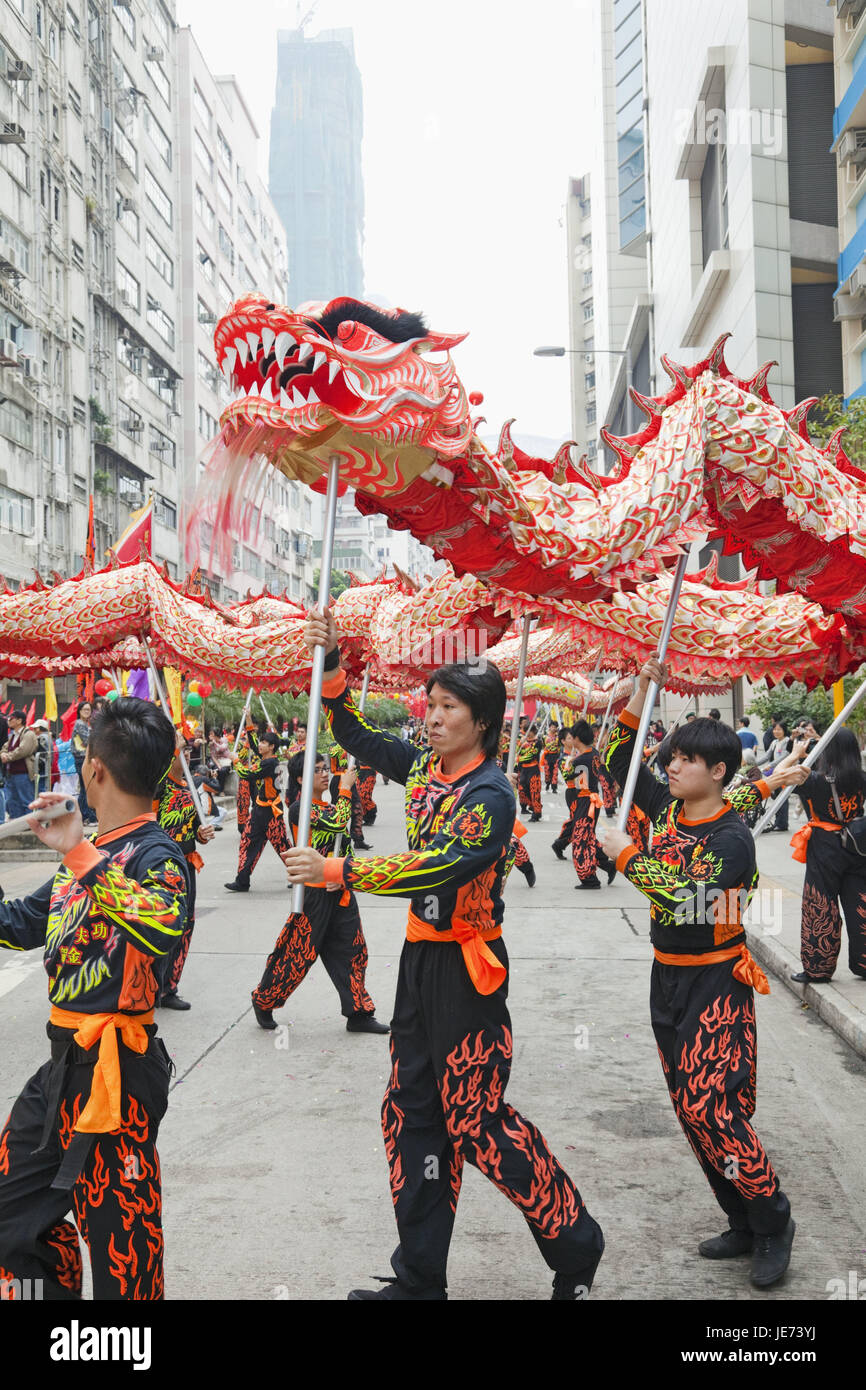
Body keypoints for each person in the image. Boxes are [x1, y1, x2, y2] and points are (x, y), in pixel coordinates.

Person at [286, 607, 605, 1301]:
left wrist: (341, 871)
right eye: (429, 704)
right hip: (419, 966)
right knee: (412, 1112)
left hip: (469, 972)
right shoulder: (426, 768)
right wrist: (332, 663)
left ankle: (577, 1242)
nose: (431, 717)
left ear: (481, 722)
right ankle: (420, 1276)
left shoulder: (490, 794)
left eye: (446, 706)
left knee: (477, 1121)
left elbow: (438, 868)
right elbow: (354, 733)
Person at [598, 659, 795, 1289]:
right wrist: (637, 694)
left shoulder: (734, 840)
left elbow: (688, 903)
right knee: (689, 1108)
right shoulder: (666, 811)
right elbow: (617, 758)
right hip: (668, 977)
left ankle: (773, 1221)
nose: (670, 766)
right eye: (671, 757)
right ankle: (739, 1217)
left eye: (684, 759)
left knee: (716, 1109)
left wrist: (627, 856)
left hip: (717, 983)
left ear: (718, 771)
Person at [0, 696, 188, 1300]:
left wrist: (81, 853)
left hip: (119, 1079)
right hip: (61, 1070)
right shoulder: (86, 851)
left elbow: (162, 925)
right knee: (10, 1214)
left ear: (95, 769)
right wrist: (76, 853)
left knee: (123, 1256)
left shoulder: (157, 854)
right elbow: (24, 922)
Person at [251, 754, 388, 1034]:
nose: (325, 774)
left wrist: (343, 874)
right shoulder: (299, 809)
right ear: (300, 779)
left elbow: (344, 840)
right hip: (314, 896)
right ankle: (264, 1000)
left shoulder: (326, 803)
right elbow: (338, 821)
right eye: (317, 770)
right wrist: (346, 789)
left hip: (338, 890)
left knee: (353, 952)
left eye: (326, 768)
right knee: (296, 955)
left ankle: (359, 1013)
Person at [789, 727, 866, 983]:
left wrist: (796, 754)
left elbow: (781, 777)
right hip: (857, 846)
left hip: (824, 847)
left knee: (821, 907)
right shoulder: (861, 778)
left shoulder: (815, 781)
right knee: (860, 904)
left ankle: (818, 969)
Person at [153, 738, 215, 1009]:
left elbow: (192, 828)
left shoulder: (191, 787)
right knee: (159, 923)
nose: (186, 756)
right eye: (181, 751)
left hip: (187, 863)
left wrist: (201, 835)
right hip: (162, 865)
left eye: (188, 752)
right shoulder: (160, 785)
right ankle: (148, 985)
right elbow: (148, 821)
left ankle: (168, 987)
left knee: (185, 924)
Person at [226, 730, 289, 892]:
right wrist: (248, 723)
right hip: (259, 810)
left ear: (272, 747)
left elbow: (246, 774)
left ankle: (302, 876)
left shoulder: (270, 764)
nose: (260, 745)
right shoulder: (267, 760)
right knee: (247, 842)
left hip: (271, 813)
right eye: (260, 742)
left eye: (264, 743)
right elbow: (253, 745)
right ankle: (242, 881)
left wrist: (236, 761)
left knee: (283, 847)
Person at [568, 720, 615, 890]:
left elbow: (578, 784)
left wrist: (566, 767)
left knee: (580, 840)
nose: (570, 740)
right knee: (588, 837)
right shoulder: (594, 753)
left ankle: (589, 878)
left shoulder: (580, 761)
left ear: (577, 738)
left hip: (584, 801)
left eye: (572, 736)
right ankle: (608, 866)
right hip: (593, 801)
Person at [0, 710, 38, 820]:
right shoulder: (13, 735)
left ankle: (30, 823)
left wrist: (8, 757)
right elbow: (4, 747)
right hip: (11, 773)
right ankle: (17, 823)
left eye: (11, 718)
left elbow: (23, 750)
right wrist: (3, 754)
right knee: (13, 801)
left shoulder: (28, 734)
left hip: (23, 773)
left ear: (19, 720)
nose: (8, 721)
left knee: (26, 799)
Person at [71, 701, 95, 825]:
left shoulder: (86, 724)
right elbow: (88, 739)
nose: (87, 712)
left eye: (89, 710)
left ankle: (83, 816)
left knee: (84, 788)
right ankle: (86, 816)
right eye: (84, 709)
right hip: (82, 759)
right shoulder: (80, 724)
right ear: (79, 711)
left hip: (85, 758)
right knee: (86, 788)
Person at [515, 723, 543, 822]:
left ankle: (536, 813)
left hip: (533, 769)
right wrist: (519, 744)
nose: (527, 734)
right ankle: (533, 807)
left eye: (529, 731)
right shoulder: (523, 742)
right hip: (524, 770)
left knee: (534, 791)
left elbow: (531, 755)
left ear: (533, 731)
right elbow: (517, 752)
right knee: (524, 790)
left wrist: (519, 759)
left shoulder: (538, 742)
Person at [542, 720, 560, 791]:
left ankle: (554, 787)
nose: (553, 728)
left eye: (555, 727)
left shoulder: (558, 737)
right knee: (547, 771)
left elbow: (560, 745)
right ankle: (547, 783)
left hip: (555, 756)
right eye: (552, 727)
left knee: (555, 772)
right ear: (549, 727)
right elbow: (543, 745)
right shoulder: (544, 737)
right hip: (547, 756)